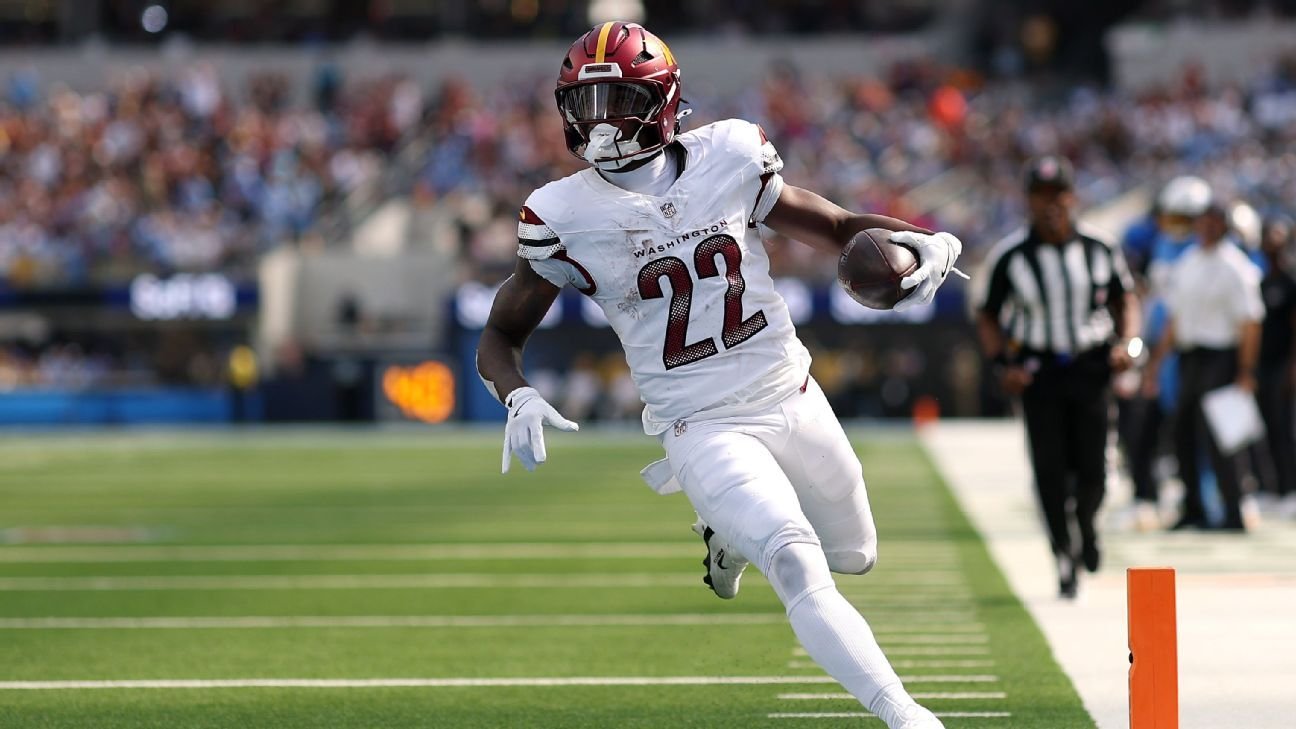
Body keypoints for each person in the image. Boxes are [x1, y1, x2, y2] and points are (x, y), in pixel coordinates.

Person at [475, 22, 963, 729]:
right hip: (700, 423)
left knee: (855, 554)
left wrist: (918, 243)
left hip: (790, 391)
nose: (601, 124)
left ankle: (725, 533)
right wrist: (516, 393)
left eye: (620, 101)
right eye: (586, 105)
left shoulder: (729, 154)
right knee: (795, 562)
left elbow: (836, 228)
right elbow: (500, 332)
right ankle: (904, 713)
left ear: (665, 102)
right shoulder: (562, 214)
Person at [975, 156, 1139, 598]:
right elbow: (988, 315)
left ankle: (1086, 522)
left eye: (1058, 194)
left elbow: (1125, 299)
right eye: (1041, 195)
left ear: (1072, 197)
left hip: (1090, 366)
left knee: (1094, 469)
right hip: (1039, 372)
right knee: (1049, 469)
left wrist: (1127, 343)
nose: (1050, 204)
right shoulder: (1011, 255)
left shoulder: (1099, 247)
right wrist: (1002, 365)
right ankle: (1063, 553)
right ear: (1028, 200)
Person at [1144, 203, 1265, 531]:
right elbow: (1175, 318)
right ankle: (1193, 508)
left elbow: (1250, 322)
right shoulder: (1188, 262)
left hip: (1221, 355)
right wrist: (1157, 362)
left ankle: (1233, 510)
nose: (1207, 229)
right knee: (1182, 430)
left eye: (1214, 223)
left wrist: (1246, 370)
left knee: (1222, 436)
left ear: (1223, 226)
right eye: (1203, 223)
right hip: (1190, 356)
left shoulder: (1235, 266)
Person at [1257, 217, 1296, 515]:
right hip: (1264, 364)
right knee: (1267, 425)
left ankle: (1290, 489)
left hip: (1284, 363)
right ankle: (1273, 488)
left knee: (1286, 427)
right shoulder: (1261, 281)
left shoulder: (1291, 280)